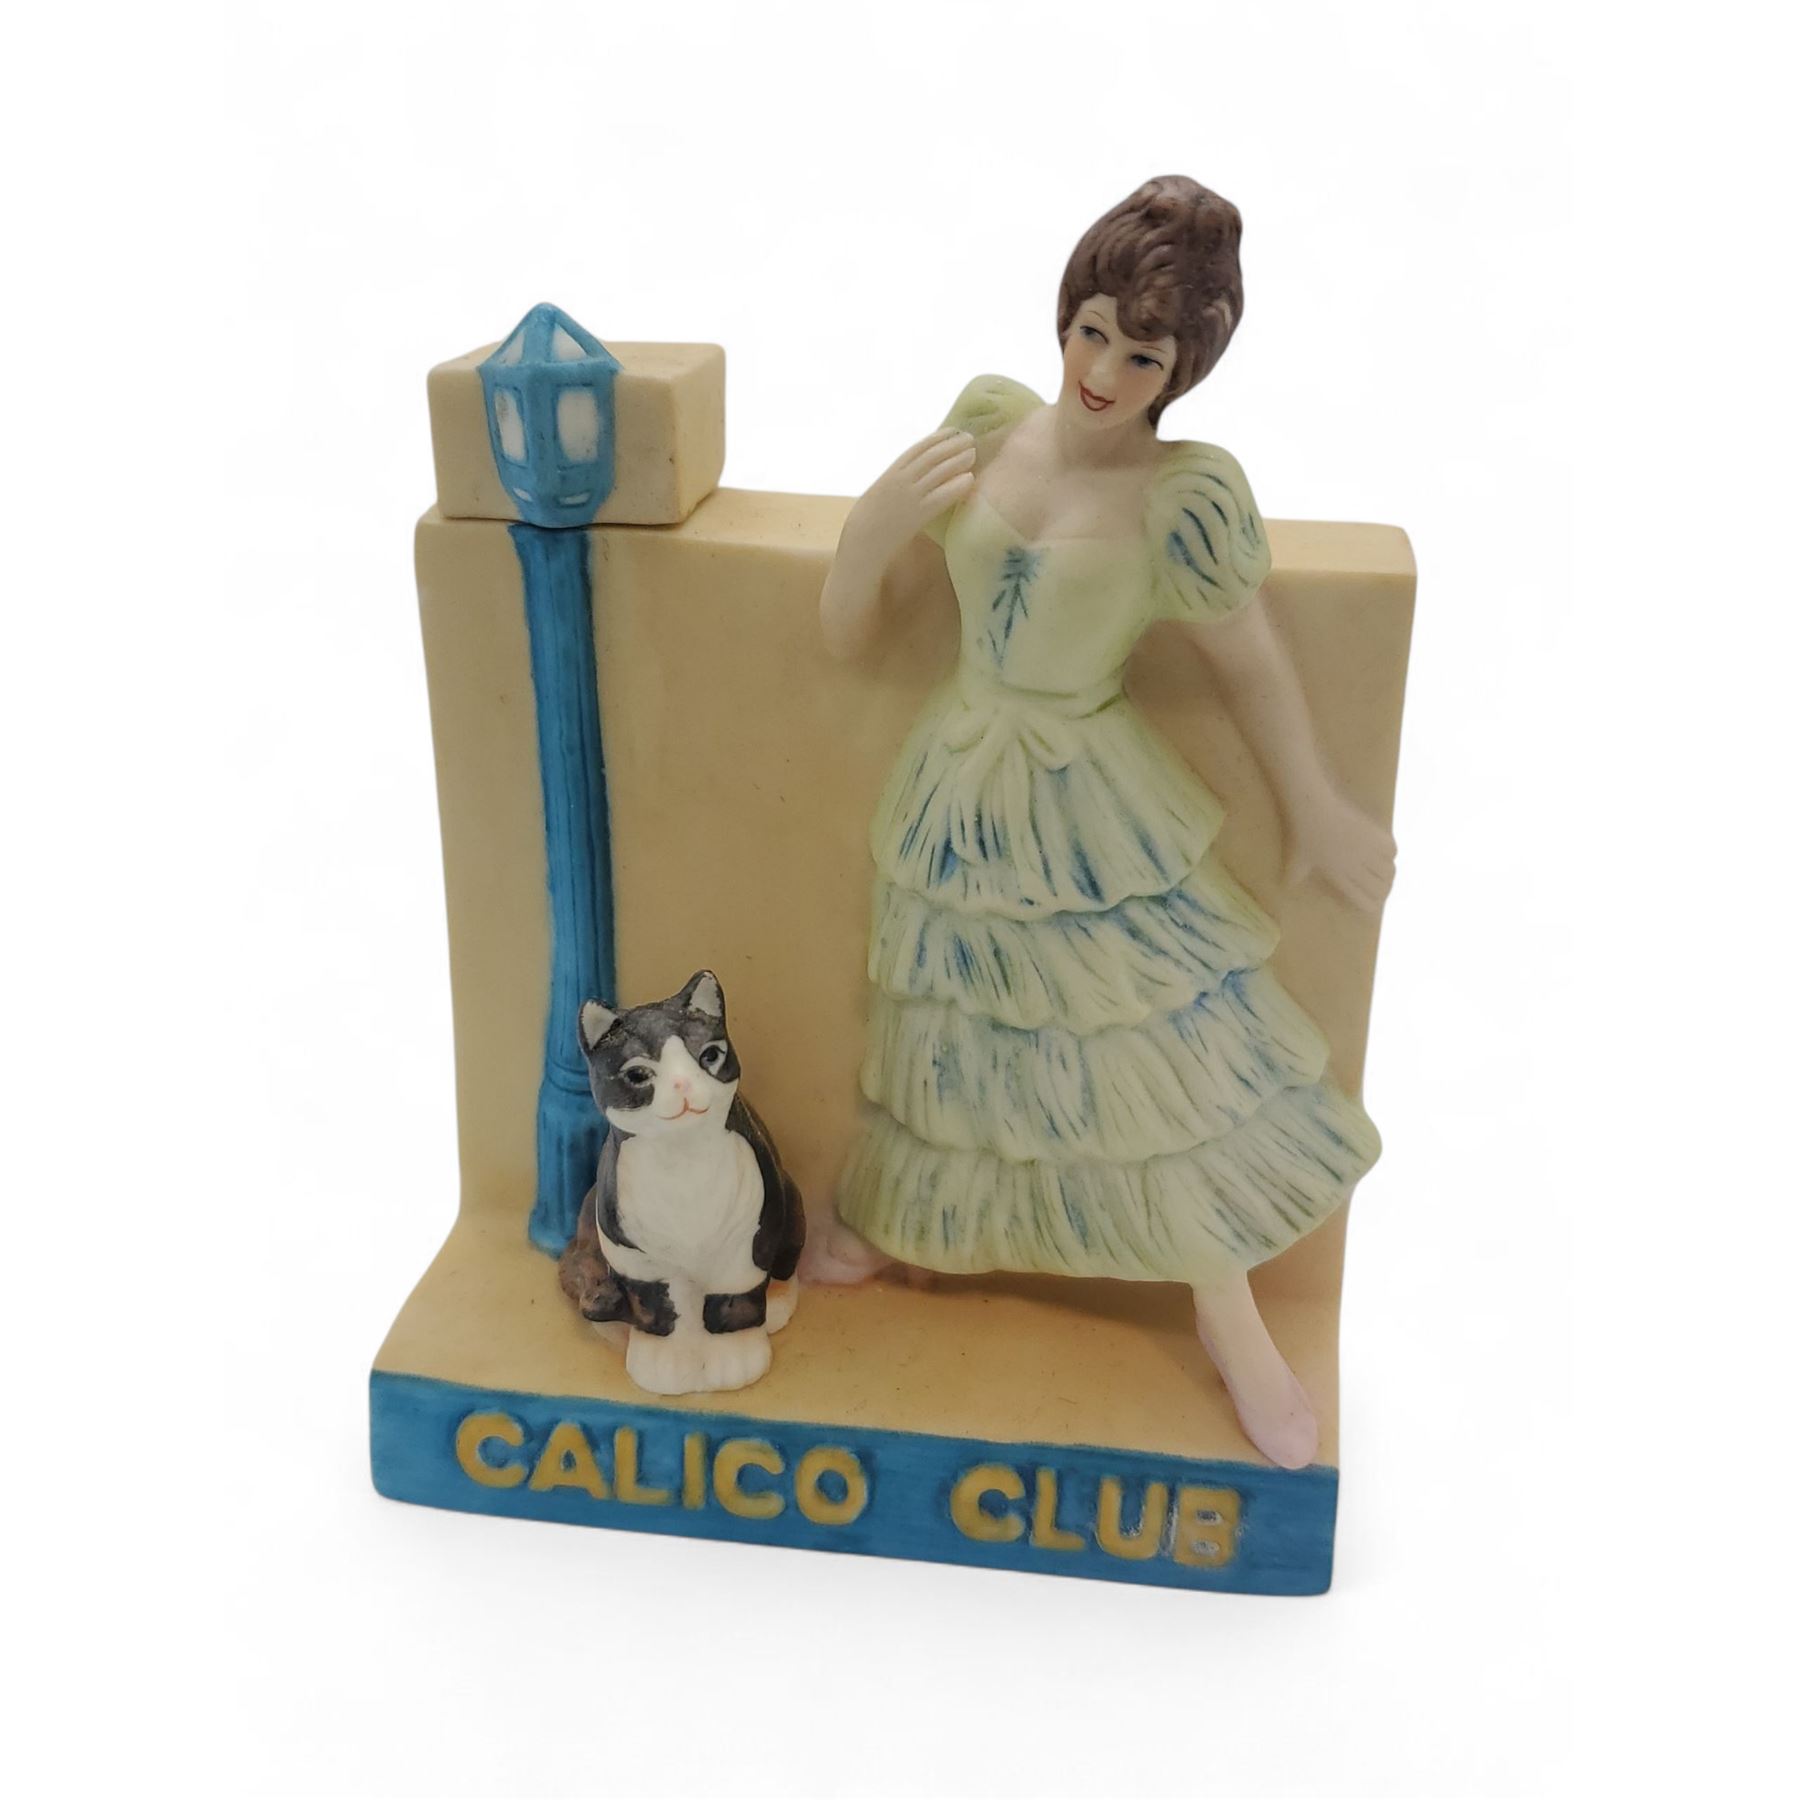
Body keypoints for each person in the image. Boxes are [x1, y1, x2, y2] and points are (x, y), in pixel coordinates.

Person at [805, 176, 1395, 1469]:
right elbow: (847, 629)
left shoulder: (1180, 498)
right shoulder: (985, 426)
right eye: (1092, 333)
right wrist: (873, 530)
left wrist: (1315, 803)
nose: (1104, 372)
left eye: (1143, 356)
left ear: (1180, 373)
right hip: (956, 783)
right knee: (946, 1031)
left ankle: (1229, 1316)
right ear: (1064, 318)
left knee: (1137, 1069)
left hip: (1082, 810)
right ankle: (894, 1221)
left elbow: (1250, 663)